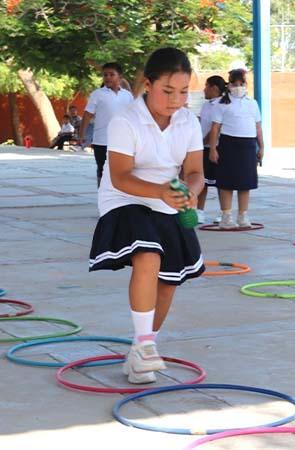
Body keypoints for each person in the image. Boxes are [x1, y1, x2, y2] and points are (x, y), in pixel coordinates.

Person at [88, 47, 205, 384]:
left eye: (183, 92)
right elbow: (120, 175)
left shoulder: (188, 121)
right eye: (168, 91)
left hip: (167, 200)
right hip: (125, 199)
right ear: (147, 83)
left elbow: (195, 170)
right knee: (149, 253)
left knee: (168, 283)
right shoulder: (126, 120)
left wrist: (191, 192)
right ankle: (144, 344)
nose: (176, 100)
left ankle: (142, 349)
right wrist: (160, 192)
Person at [208, 69, 264, 229]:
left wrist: (261, 147)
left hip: (248, 146)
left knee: (245, 182)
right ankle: (226, 216)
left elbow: (258, 127)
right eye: (235, 84)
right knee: (226, 182)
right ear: (229, 85)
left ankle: (243, 215)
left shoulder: (252, 103)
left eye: (242, 84)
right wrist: (213, 149)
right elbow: (215, 128)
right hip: (228, 144)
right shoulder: (222, 104)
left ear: (246, 85)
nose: (238, 87)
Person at [79, 63, 134, 187]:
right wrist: (81, 134)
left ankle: (120, 198)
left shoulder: (127, 95)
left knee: (123, 171)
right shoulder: (97, 94)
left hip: (123, 141)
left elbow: (133, 117)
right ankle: (103, 197)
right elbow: (87, 115)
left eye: (111, 74)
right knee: (103, 170)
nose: (108, 77)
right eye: (105, 75)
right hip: (102, 141)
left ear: (120, 77)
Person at [197, 75, 226, 224]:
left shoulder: (222, 104)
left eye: (206, 86)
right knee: (203, 182)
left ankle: (224, 212)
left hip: (216, 148)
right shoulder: (206, 105)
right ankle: (199, 211)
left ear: (214, 88)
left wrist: (206, 142)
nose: (204, 89)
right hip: (202, 147)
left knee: (221, 182)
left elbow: (216, 128)